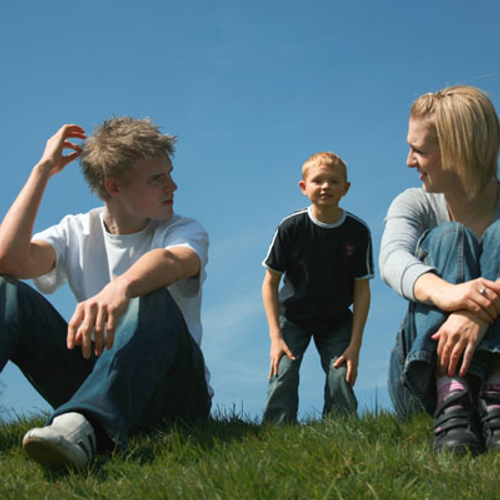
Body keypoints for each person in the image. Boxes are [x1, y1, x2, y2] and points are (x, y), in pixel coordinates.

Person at [0, 118, 212, 469]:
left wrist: (120, 287)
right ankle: (82, 418)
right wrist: (42, 171)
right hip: (98, 375)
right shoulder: (76, 230)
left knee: (151, 295)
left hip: (174, 397)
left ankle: (83, 428)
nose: (172, 186)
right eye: (156, 179)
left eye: (169, 174)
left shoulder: (183, 229)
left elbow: (173, 261)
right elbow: (8, 261)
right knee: (7, 294)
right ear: (114, 187)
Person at [381, 85, 500, 454]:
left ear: (458, 152)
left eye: (419, 150)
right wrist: (450, 294)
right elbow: (392, 258)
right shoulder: (414, 202)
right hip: (422, 381)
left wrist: (475, 312)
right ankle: (452, 396)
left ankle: (493, 393)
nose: (409, 161)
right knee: (450, 237)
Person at [262, 152, 373, 423]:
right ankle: (276, 434)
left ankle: (340, 433)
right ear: (304, 187)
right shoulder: (291, 227)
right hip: (293, 316)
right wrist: (275, 337)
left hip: (336, 319)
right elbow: (269, 283)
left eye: (334, 181)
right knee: (283, 372)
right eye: (318, 181)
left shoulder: (358, 232)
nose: (326, 186)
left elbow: (362, 290)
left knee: (340, 376)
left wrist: (355, 344)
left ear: (346, 188)